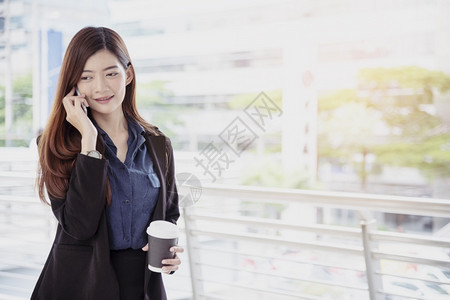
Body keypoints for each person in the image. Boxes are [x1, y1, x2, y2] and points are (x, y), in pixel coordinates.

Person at [32, 26, 183, 300]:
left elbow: (169, 213)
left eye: (111, 73)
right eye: (86, 77)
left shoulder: (158, 144)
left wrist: (169, 254)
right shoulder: (56, 143)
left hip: (143, 285)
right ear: (74, 85)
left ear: (128, 74)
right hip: (80, 286)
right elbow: (79, 227)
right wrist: (88, 140)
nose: (100, 87)